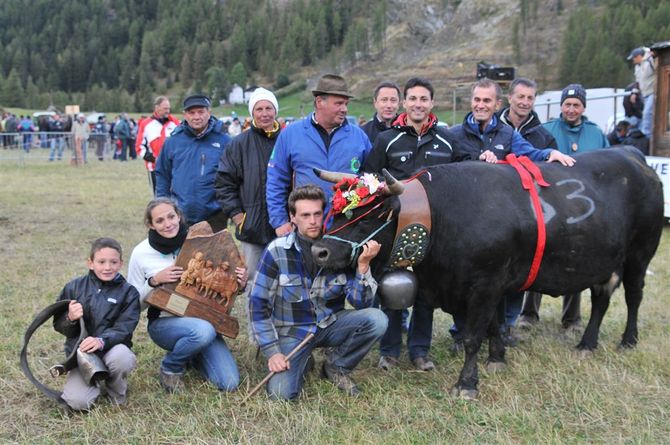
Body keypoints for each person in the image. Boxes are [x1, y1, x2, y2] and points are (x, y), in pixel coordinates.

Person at [363, 77, 471, 371]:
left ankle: (420, 351)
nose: (418, 104)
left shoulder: (449, 139)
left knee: (426, 292)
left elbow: (467, 177)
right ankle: (389, 351)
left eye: (424, 99)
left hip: (436, 233)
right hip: (395, 230)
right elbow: (367, 179)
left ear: (431, 103)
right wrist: (381, 192)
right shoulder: (387, 140)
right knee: (392, 288)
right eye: (413, 99)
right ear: (405, 103)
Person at [249, 185, 387, 400]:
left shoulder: (339, 248)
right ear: (292, 218)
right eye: (305, 215)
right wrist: (273, 352)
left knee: (377, 319)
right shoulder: (276, 251)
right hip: (292, 332)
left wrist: (363, 266)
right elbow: (257, 305)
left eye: (317, 214)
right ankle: (303, 359)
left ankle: (336, 366)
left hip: (328, 323)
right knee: (280, 395)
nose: (313, 221)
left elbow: (361, 303)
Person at [127, 198, 246, 393]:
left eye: (171, 217)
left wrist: (239, 284)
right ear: (151, 225)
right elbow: (132, 304)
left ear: (179, 216)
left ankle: (192, 353)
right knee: (203, 331)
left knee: (229, 382)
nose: (168, 224)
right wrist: (154, 281)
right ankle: (171, 367)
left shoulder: (203, 243)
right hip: (165, 323)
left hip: (205, 319)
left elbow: (219, 285)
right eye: (160, 220)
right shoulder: (141, 253)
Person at [519, 83, 609, 331]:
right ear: (561, 106)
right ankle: (528, 313)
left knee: (576, 258)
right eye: (567, 104)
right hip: (548, 204)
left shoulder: (596, 133)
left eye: (576, 105)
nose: (571, 109)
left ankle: (571, 318)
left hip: (583, 208)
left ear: (583, 107)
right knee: (538, 256)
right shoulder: (545, 130)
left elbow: (606, 166)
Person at [266, 74, 372, 236]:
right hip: (306, 229)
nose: (345, 109)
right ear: (319, 102)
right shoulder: (291, 134)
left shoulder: (359, 137)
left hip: (347, 231)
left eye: (346, 103)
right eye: (339, 103)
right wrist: (279, 221)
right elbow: (276, 180)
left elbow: (372, 181)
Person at [53, 238, 140, 410]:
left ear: (121, 263)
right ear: (90, 263)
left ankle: (116, 392)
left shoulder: (129, 293)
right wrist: (70, 318)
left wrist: (101, 341)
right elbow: (58, 325)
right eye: (101, 262)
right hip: (81, 355)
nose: (108, 267)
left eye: (113, 262)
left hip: (112, 349)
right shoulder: (73, 287)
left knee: (122, 358)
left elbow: (125, 327)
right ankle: (89, 382)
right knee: (78, 403)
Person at [215, 87, 281, 279]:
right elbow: (224, 183)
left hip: (283, 226)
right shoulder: (239, 144)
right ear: (252, 113)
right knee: (252, 279)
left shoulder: (287, 139)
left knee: (284, 279)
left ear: (275, 111)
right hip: (252, 226)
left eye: (269, 108)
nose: (264, 114)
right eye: (259, 109)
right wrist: (238, 216)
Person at [155, 94, 231, 231]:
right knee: (183, 253)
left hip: (215, 216)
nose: (196, 117)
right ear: (185, 115)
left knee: (213, 253)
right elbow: (162, 176)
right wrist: (162, 207)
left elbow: (234, 178)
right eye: (191, 112)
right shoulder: (173, 142)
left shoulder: (224, 141)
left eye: (201, 112)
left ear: (209, 113)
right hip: (180, 216)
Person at [136, 96, 180, 194]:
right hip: (155, 169)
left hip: (174, 168)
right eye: (165, 108)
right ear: (157, 107)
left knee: (176, 196)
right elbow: (139, 147)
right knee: (159, 199)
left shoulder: (175, 122)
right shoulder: (146, 124)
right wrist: (154, 159)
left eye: (169, 108)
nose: (168, 111)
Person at [628, 47, 656, 138]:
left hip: (653, 92)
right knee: (648, 113)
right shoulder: (637, 67)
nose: (633, 60)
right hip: (644, 94)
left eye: (634, 58)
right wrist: (634, 93)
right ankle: (649, 133)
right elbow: (638, 81)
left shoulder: (649, 61)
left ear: (639, 56)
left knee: (647, 113)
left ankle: (647, 135)